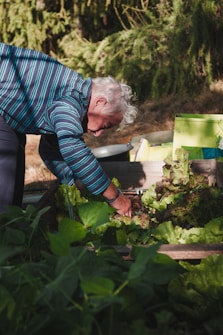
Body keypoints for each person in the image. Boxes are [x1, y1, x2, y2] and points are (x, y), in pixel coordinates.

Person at [0, 42, 138, 215]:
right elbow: (73, 149)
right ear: (100, 101)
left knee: (13, 151)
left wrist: (77, 181)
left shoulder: (72, 93)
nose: (98, 133)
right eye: (105, 125)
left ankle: (9, 228)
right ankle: (6, 232)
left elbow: (50, 149)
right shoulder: (70, 102)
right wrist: (116, 199)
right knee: (6, 156)